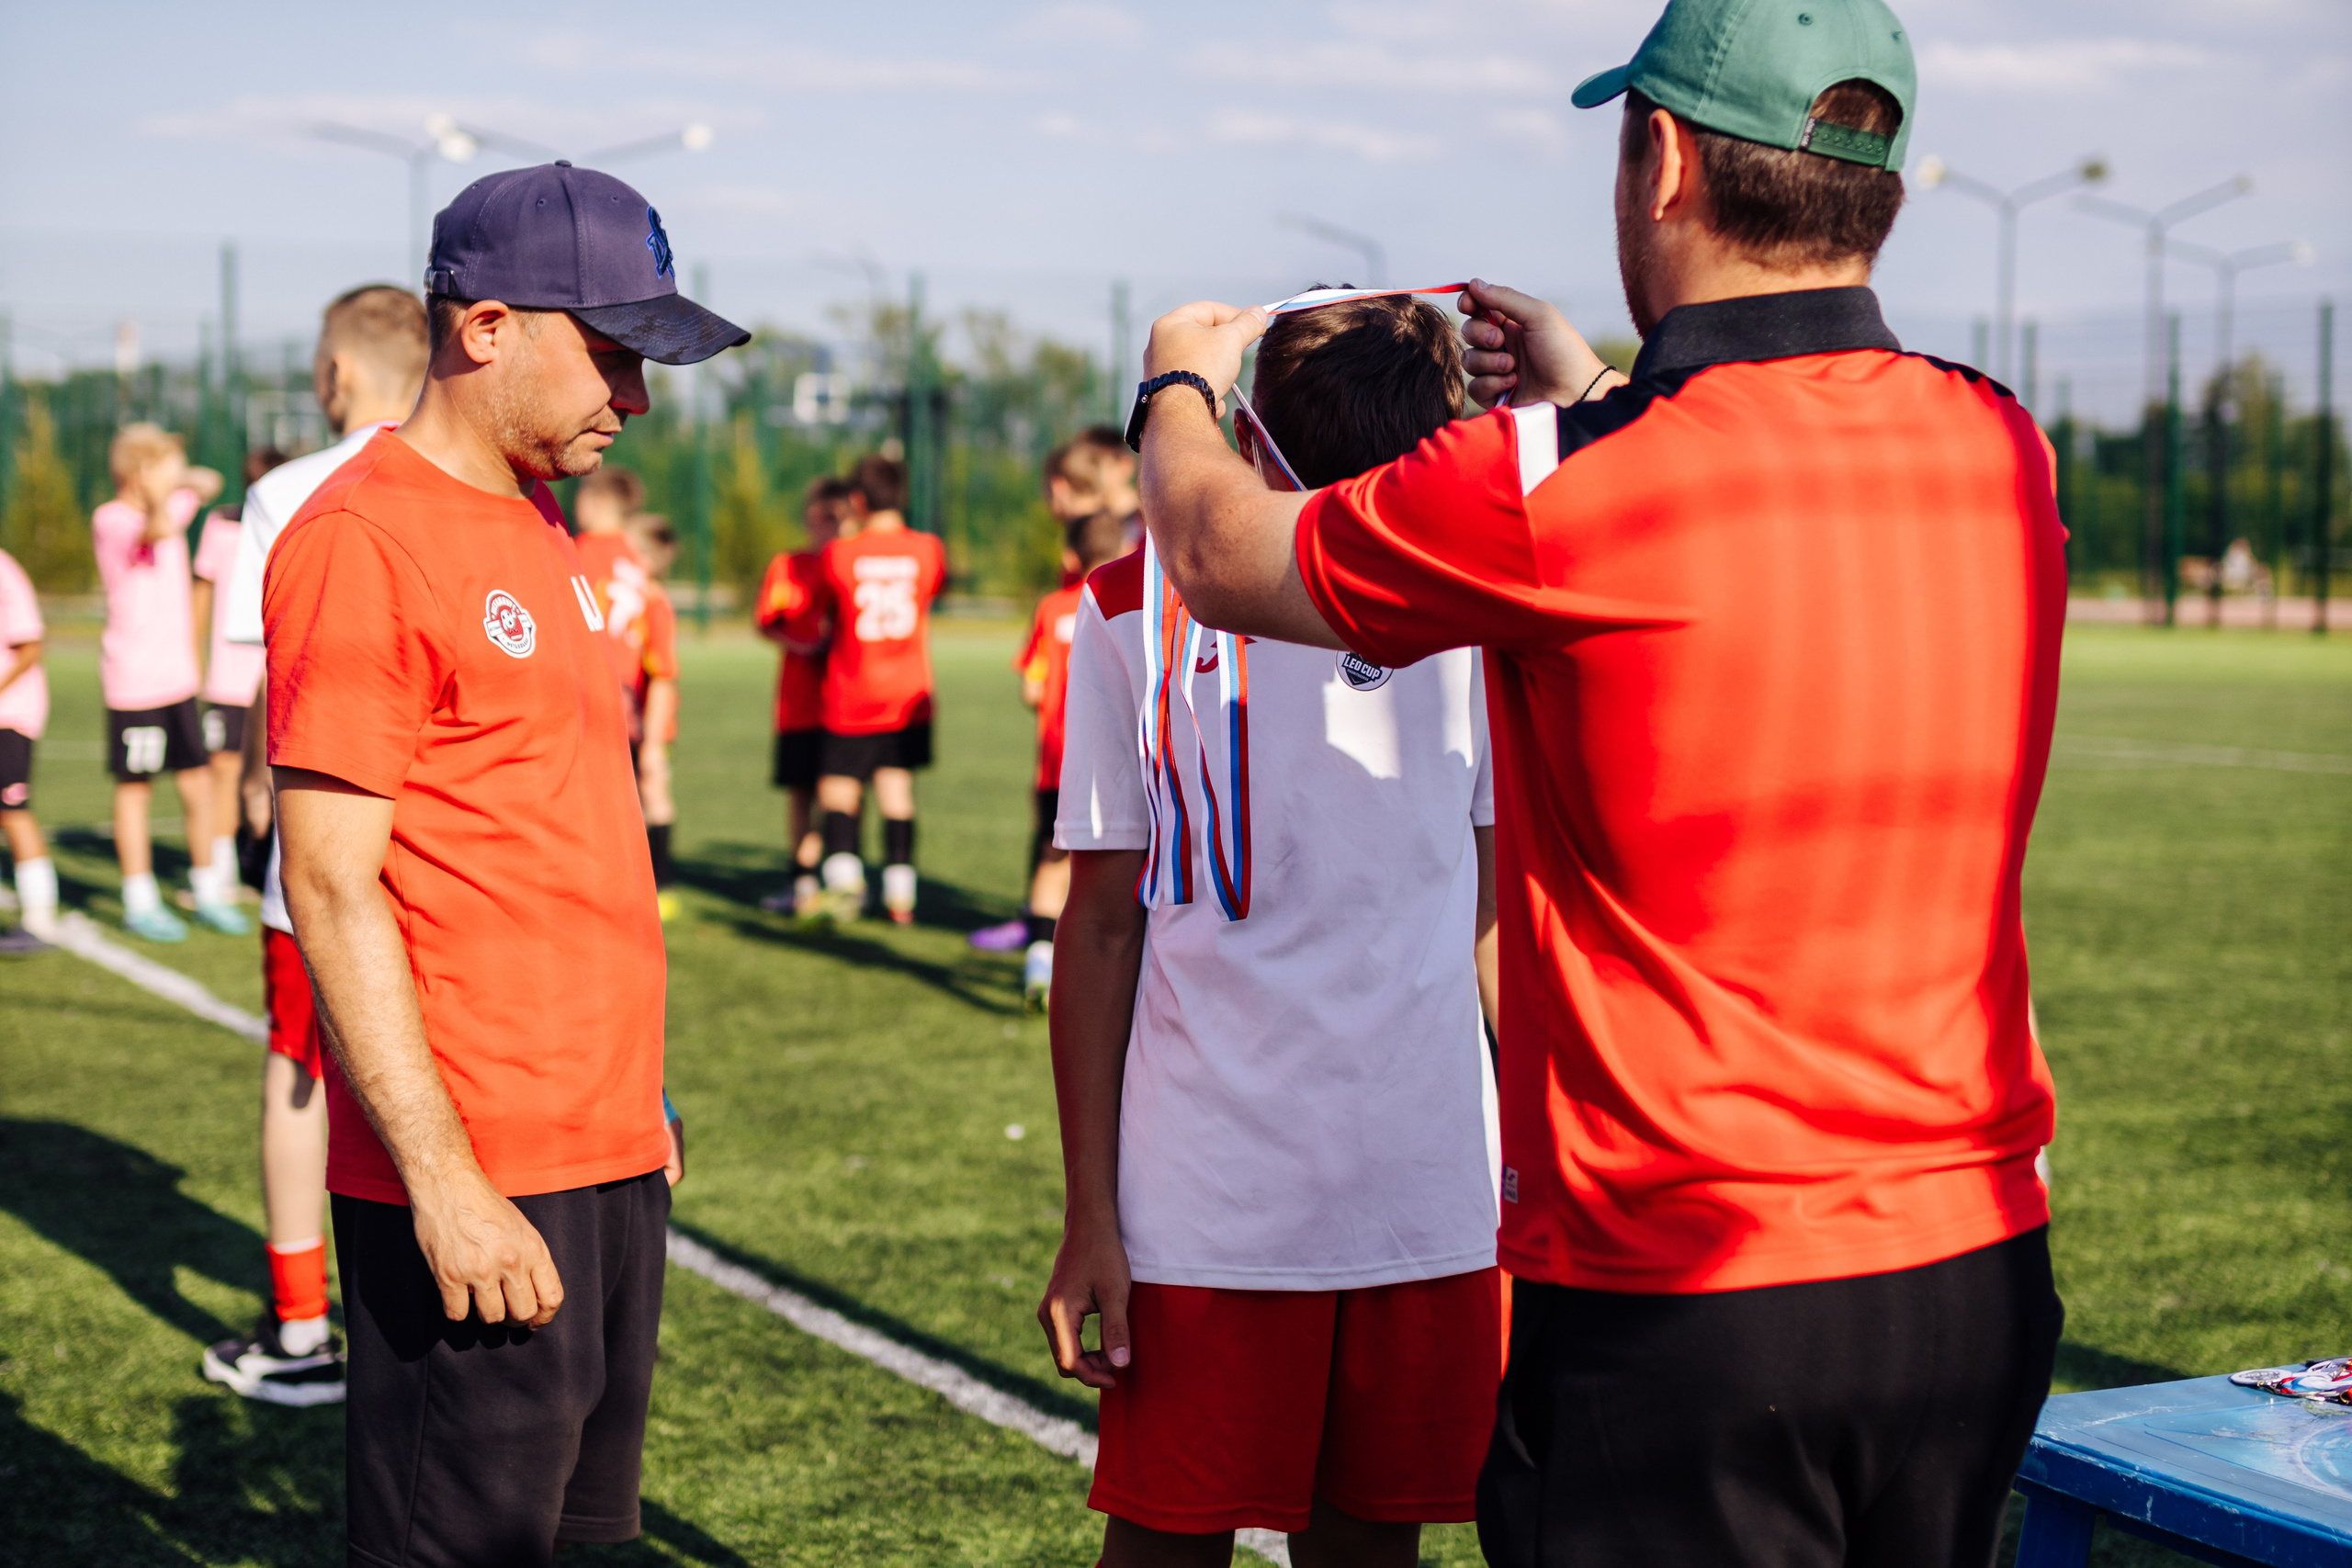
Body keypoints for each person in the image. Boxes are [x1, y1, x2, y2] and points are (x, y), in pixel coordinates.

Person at [1124, 2, 2068, 1562]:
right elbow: (1765, 489)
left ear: (1666, 160)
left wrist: (1172, 387)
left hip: (1692, 1286)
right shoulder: (2001, 443)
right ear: (1882, 190)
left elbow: (1225, 554)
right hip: (1973, 1269)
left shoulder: (1561, 481)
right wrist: (1601, 383)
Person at [268, 164, 737, 1564]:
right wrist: (447, 1179)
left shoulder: (536, 518)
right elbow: (330, 881)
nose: (635, 400)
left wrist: (633, 1097)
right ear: (485, 330)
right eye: (610, 356)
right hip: (478, 1169)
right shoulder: (363, 538)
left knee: (586, 1538)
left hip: (601, 1148)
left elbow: (546, 833)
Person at [1039, 290, 1503, 1568]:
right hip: (1212, 1204)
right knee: (1171, 1539)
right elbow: (1102, 927)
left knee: (1369, 1544)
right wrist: (1097, 1215)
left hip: (1426, 1191)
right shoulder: (1132, 604)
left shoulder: (1475, 600)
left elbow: (1491, 905)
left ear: (1244, 430)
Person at [200, 282, 430, 1408]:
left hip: (331, 845)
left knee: (303, 1073)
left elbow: (262, 669)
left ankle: (301, 1330)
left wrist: (252, 783)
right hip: (453, 854)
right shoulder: (481, 481)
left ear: (334, 375)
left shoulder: (289, 491)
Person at [970, 510, 1131, 1005]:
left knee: (1050, 860)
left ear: (1069, 556)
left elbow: (1031, 687)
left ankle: (1039, 961)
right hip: (1121, 764)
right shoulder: (1131, 599)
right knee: (1117, 871)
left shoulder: (1052, 607)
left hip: (1059, 760)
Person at [90, 424, 243, 941]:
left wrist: (175, 470)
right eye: (164, 469)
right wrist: (160, 486)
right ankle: (139, 899)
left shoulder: (172, 504)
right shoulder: (112, 519)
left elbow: (207, 481)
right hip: (136, 683)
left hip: (178, 680)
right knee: (135, 791)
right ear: (140, 475)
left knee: (197, 786)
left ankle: (206, 890)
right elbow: (154, 528)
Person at [808, 454, 945, 924]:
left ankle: (845, 887)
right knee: (897, 792)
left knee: (838, 792)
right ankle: (900, 895)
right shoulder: (929, 549)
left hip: (851, 692)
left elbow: (825, 609)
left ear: (858, 499)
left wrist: (850, 529)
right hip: (909, 696)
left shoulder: (838, 554)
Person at [755, 475, 854, 915]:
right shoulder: (789, 564)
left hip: (847, 706)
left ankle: (848, 880)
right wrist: (803, 646)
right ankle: (803, 883)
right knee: (800, 793)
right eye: (818, 518)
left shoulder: (855, 565)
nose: (826, 527)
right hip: (798, 703)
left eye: (836, 518)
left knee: (846, 792)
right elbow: (767, 620)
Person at [190, 447, 282, 903]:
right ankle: (228, 867)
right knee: (229, 772)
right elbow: (202, 595)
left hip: (266, 669)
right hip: (237, 672)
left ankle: (254, 862)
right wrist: (196, 659)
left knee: (254, 774)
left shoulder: (288, 517)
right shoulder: (224, 523)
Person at [618, 511, 684, 919]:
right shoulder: (627, 596)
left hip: (648, 721)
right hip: (625, 717)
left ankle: (664, 885)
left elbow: (662, 677)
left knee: (653, 791)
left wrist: (655, 743)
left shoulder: (653, 602)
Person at [0, 545, 54, 952]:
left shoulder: (5, 571)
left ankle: (40, 919)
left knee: (13, 811)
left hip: (10, 714)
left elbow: (31, 646)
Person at [1046, 424, 1142, 551]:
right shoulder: (1090, 532)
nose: (1090, 472)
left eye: (1096, 462)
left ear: (1125, 464)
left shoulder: (1147, 527)